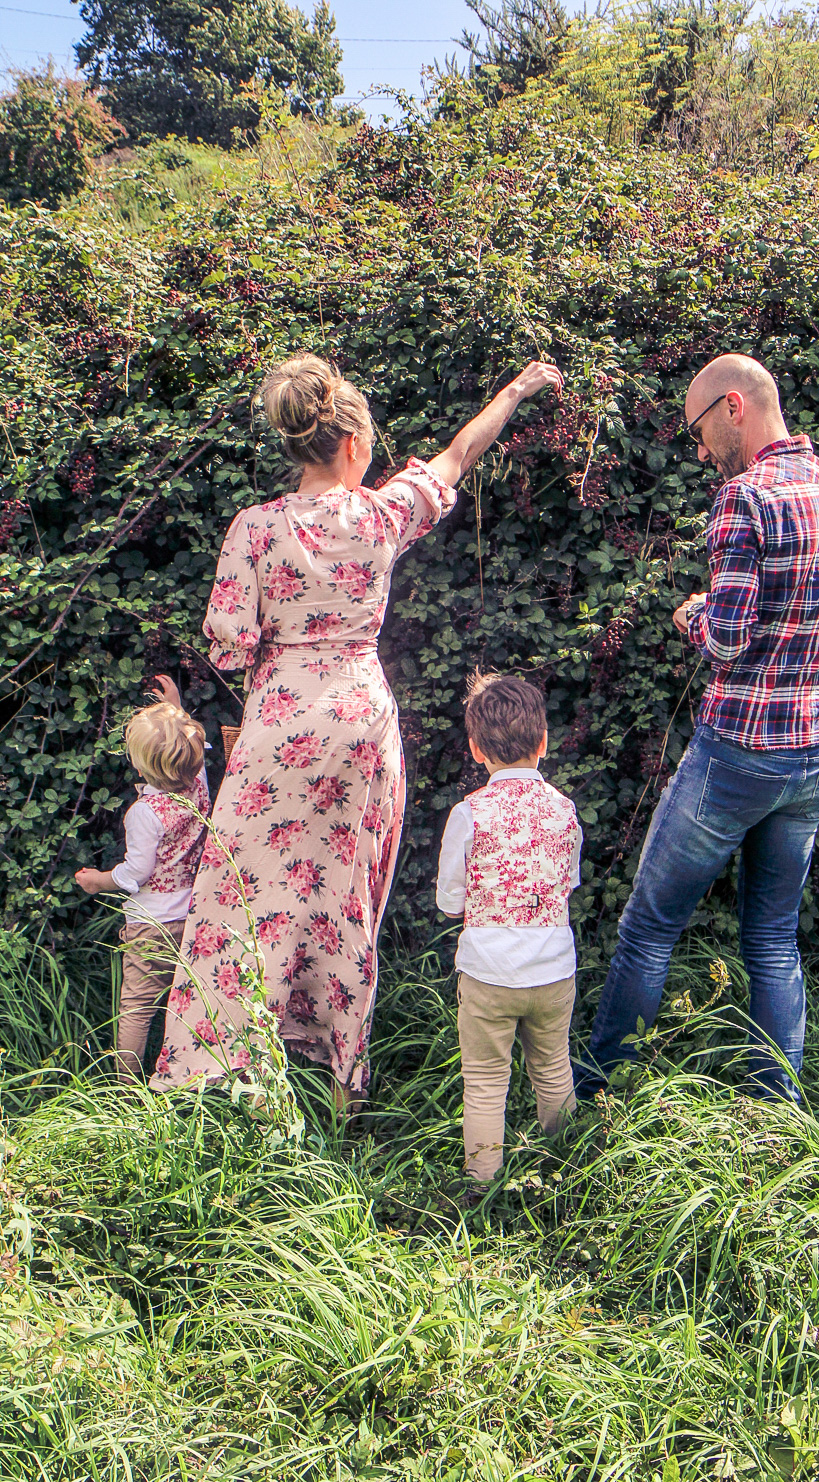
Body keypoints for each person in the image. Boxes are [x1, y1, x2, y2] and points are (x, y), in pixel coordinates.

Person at [151, 353, 563, 1114]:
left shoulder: (254, 529)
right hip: (358, 728)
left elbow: (230, 643)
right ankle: (342, 1088)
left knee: (242, 898)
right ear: (352, 446)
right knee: (344, 901)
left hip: (276, 730)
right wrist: (514, 389)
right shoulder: (378, 516)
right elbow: (460, 454)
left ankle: (217, 1071)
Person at [576, 353, 819, 1104]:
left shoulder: (744, 501)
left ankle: (598, 1096)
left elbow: (727, 638)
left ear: (732, 407)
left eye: (696, 432)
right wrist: (810, 633)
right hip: (815, 752)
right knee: (774, 939)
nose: (697, 452)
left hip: (737, 755)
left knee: (649, 928)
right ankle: (775, 1111)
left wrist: (691, 613)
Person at [436, 672, 582, 1182]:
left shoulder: (468, 813)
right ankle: (568, 1169)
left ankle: (481, 1187)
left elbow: (449, 900)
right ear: (543, 742)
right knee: (553, 1069)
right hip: (552, 969)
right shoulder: (564, 810)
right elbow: (568, 882)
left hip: (488, 973)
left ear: (476, 749)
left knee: (483, 1082)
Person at [74, 676, 210, 1078]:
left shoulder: (144, 814)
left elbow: (137, 871)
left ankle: (125, 1086)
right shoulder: (199, 785)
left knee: (136, 1006)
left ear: (140, 764)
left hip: (152, 924)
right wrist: (178, 708)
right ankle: (194, 1070)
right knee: (190, 998)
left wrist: (99, 881)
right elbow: (190, 751)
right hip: (196, 916)